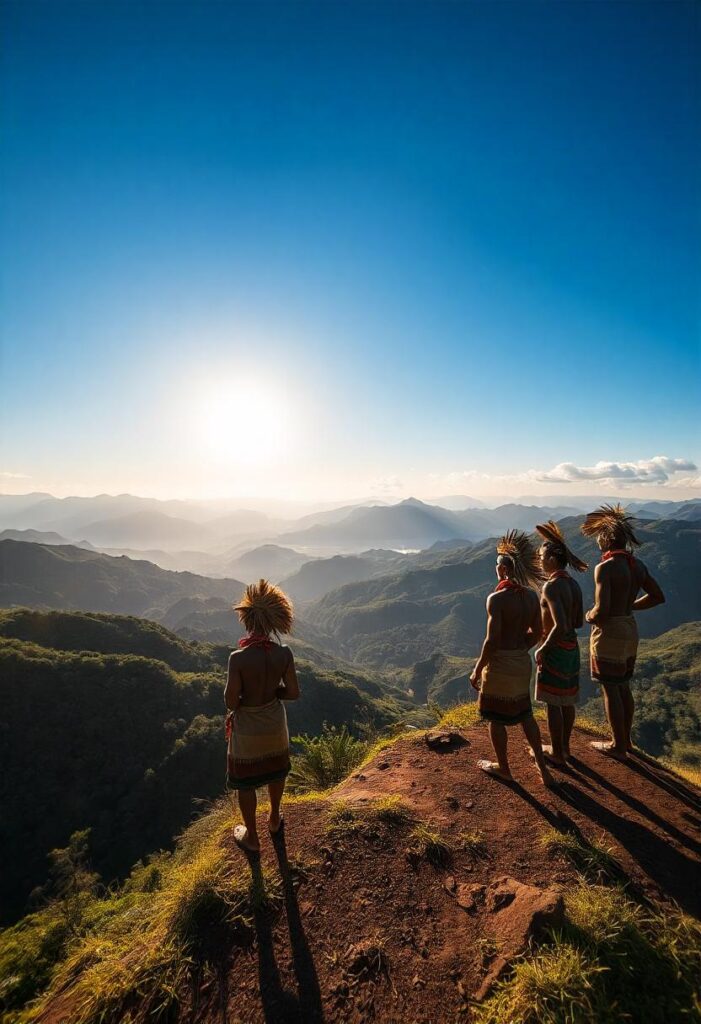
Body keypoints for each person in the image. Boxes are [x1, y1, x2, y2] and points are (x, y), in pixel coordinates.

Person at [470, 530, 554, 787]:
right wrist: (521, 648)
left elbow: (491, 641)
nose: (496, 570)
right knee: (525, 713)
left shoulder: (496, 599)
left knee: (495, 717)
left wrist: (477, 669)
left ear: (505, 570)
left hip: (501, 665)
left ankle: (504, 768)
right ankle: (543, 769)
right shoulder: (531, 596)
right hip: (521, 662)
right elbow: (539, 631)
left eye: (497, 566)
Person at [581, 504, 665, 760]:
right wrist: (630, 606)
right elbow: (657, 596)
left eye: (599, 537)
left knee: (610, 688)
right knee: (623, 686)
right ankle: (625, 742)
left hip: (610, 631)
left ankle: (617, 746)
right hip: (629, 628)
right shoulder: (636, 565)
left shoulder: (605, 568)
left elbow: (602, 610)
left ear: (606, 538)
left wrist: (589, 615)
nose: (597, 541)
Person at [225, 578, 300, 855]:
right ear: (275, 621)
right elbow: (292, 693)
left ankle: (253, 838)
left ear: (247, 619)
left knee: (245, 781)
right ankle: (274, 818)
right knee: (275, 770)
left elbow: (231, 701)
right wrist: (271, 693)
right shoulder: (284, 654)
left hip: (247, 727)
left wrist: (250, 698)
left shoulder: (238, 658)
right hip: (275, 722)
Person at [533, 520, 588, 767]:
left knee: (554, 703)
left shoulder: (552, 586)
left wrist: (543, 647)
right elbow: (578, 622)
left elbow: (562, 623)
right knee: (566, 700)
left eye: (543, 556)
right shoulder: (573, 584)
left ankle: (556, 753)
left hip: (555, 649)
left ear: (554, 559)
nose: (540, 561)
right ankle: (564, 748)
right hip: (572, 648)